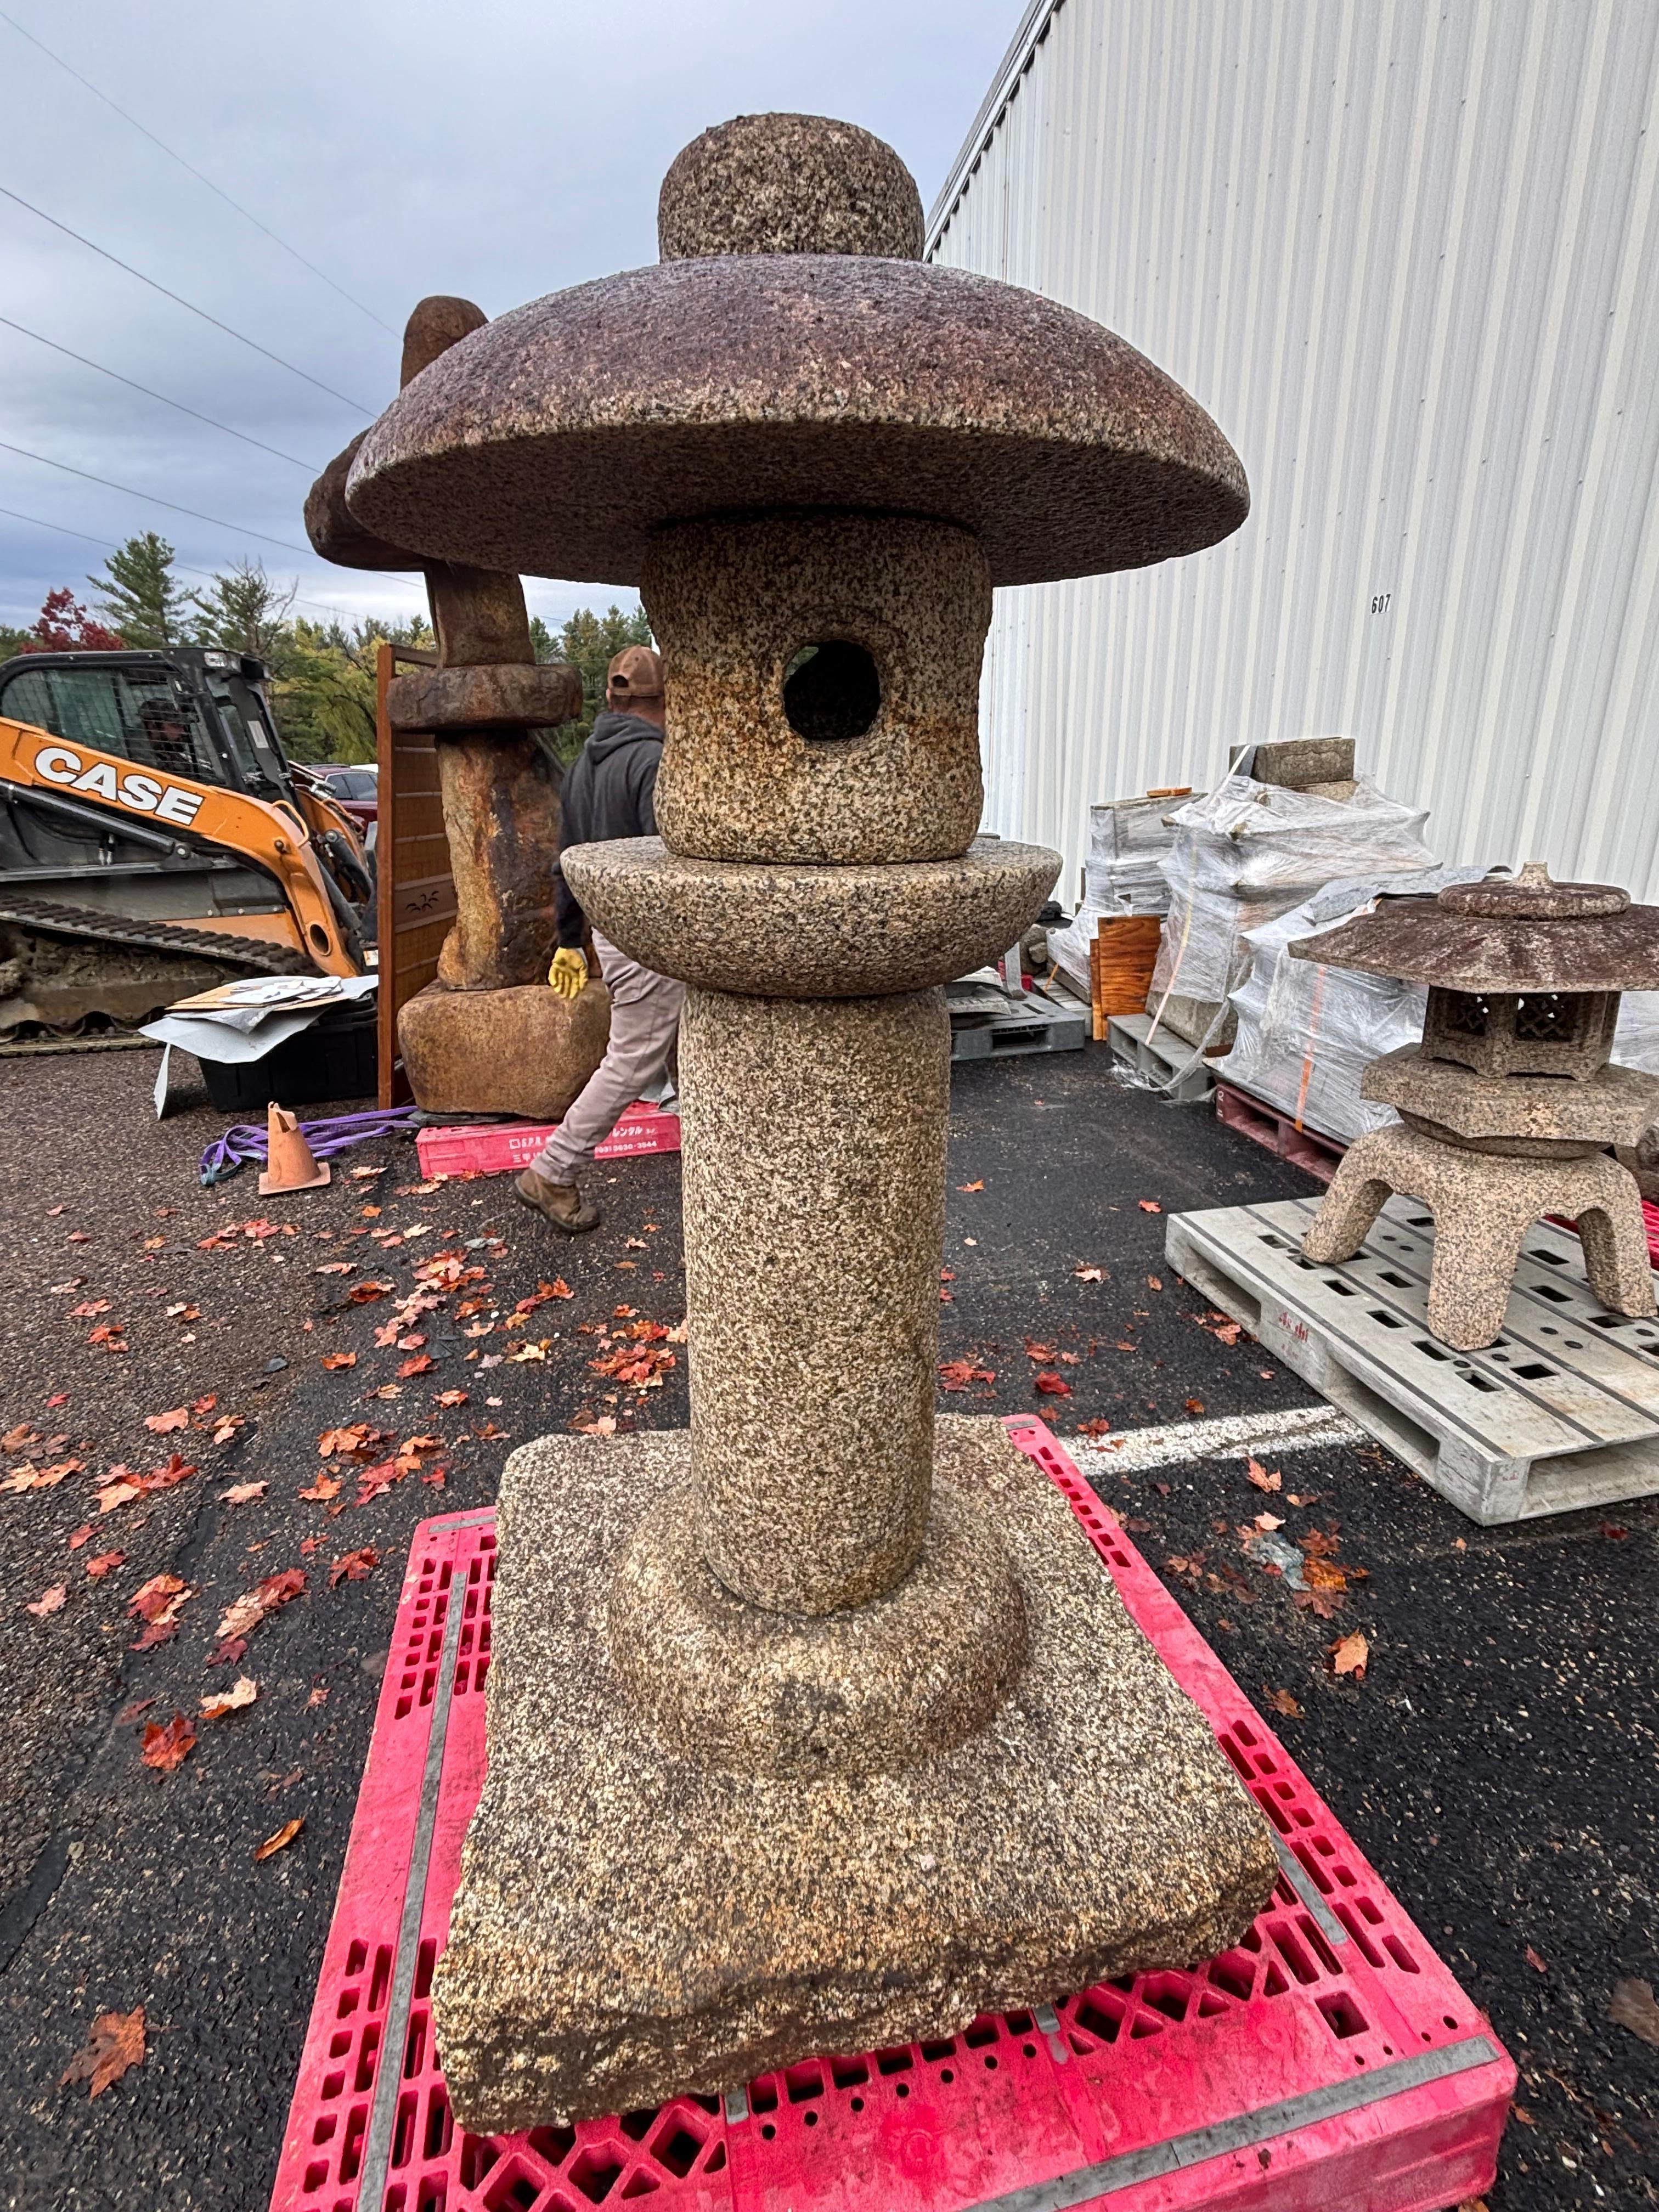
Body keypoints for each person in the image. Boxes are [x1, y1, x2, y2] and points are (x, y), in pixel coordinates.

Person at [515, 645, 685, 1234]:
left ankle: (713, 1157)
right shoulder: (655, 762)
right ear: (667, 701)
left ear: (612, 699)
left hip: (610, 931)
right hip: (648, 939)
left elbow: (568, 858)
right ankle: (553, 1170)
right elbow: (669, 864)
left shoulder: (585, 764)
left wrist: (570, 937)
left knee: (683, 1042)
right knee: (632, 1058)